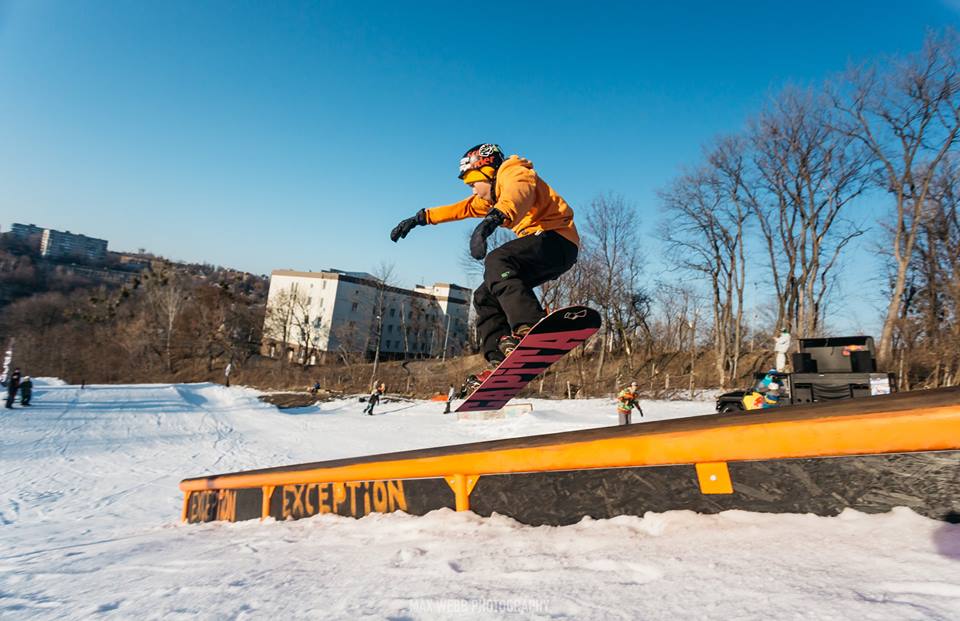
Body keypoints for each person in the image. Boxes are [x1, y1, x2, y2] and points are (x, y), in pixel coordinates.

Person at [390, 144, 579, 390]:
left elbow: (517, 194)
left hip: (558, 240)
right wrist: (421, 218)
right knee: (484, 296)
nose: (475, 192)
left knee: (497, 260)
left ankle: (530, 325)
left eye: (473, 184)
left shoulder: (514, 172)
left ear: (489, 172)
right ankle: (498, 361)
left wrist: (491, 222)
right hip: (540, 251)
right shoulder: (490, 197)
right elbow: (463, 208)